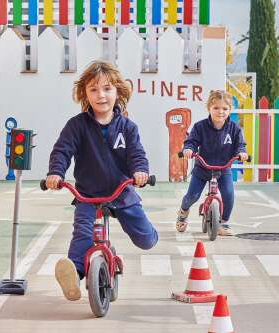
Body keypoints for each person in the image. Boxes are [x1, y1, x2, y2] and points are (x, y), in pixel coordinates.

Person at [44, 60, 158, 300]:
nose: (101, 95)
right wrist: (56, 173)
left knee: (145, 239)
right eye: (93, 89)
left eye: (107, 89)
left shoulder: (128, 127)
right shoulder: (76, 126)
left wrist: (140, 172)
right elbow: (62, 150)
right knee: (83, 233)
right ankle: (74, 276)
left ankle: (148, 235)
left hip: (122, 192)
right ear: (84, 93)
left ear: (118, 91)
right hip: (87, 194)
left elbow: (137, 153)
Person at [176, 90, 248, 236]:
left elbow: (240, 145)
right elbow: (191, 141)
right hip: (203, 168)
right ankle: (183, 212)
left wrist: (242, 153)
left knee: (228, 194)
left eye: (225, 108)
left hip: (223, 169)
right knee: (193, 195)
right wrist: (188, 149)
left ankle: (224, 222)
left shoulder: (234, 129)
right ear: (209, 108)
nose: (220, 112)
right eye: (216, 108)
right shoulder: (200, 127)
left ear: (230, 110)